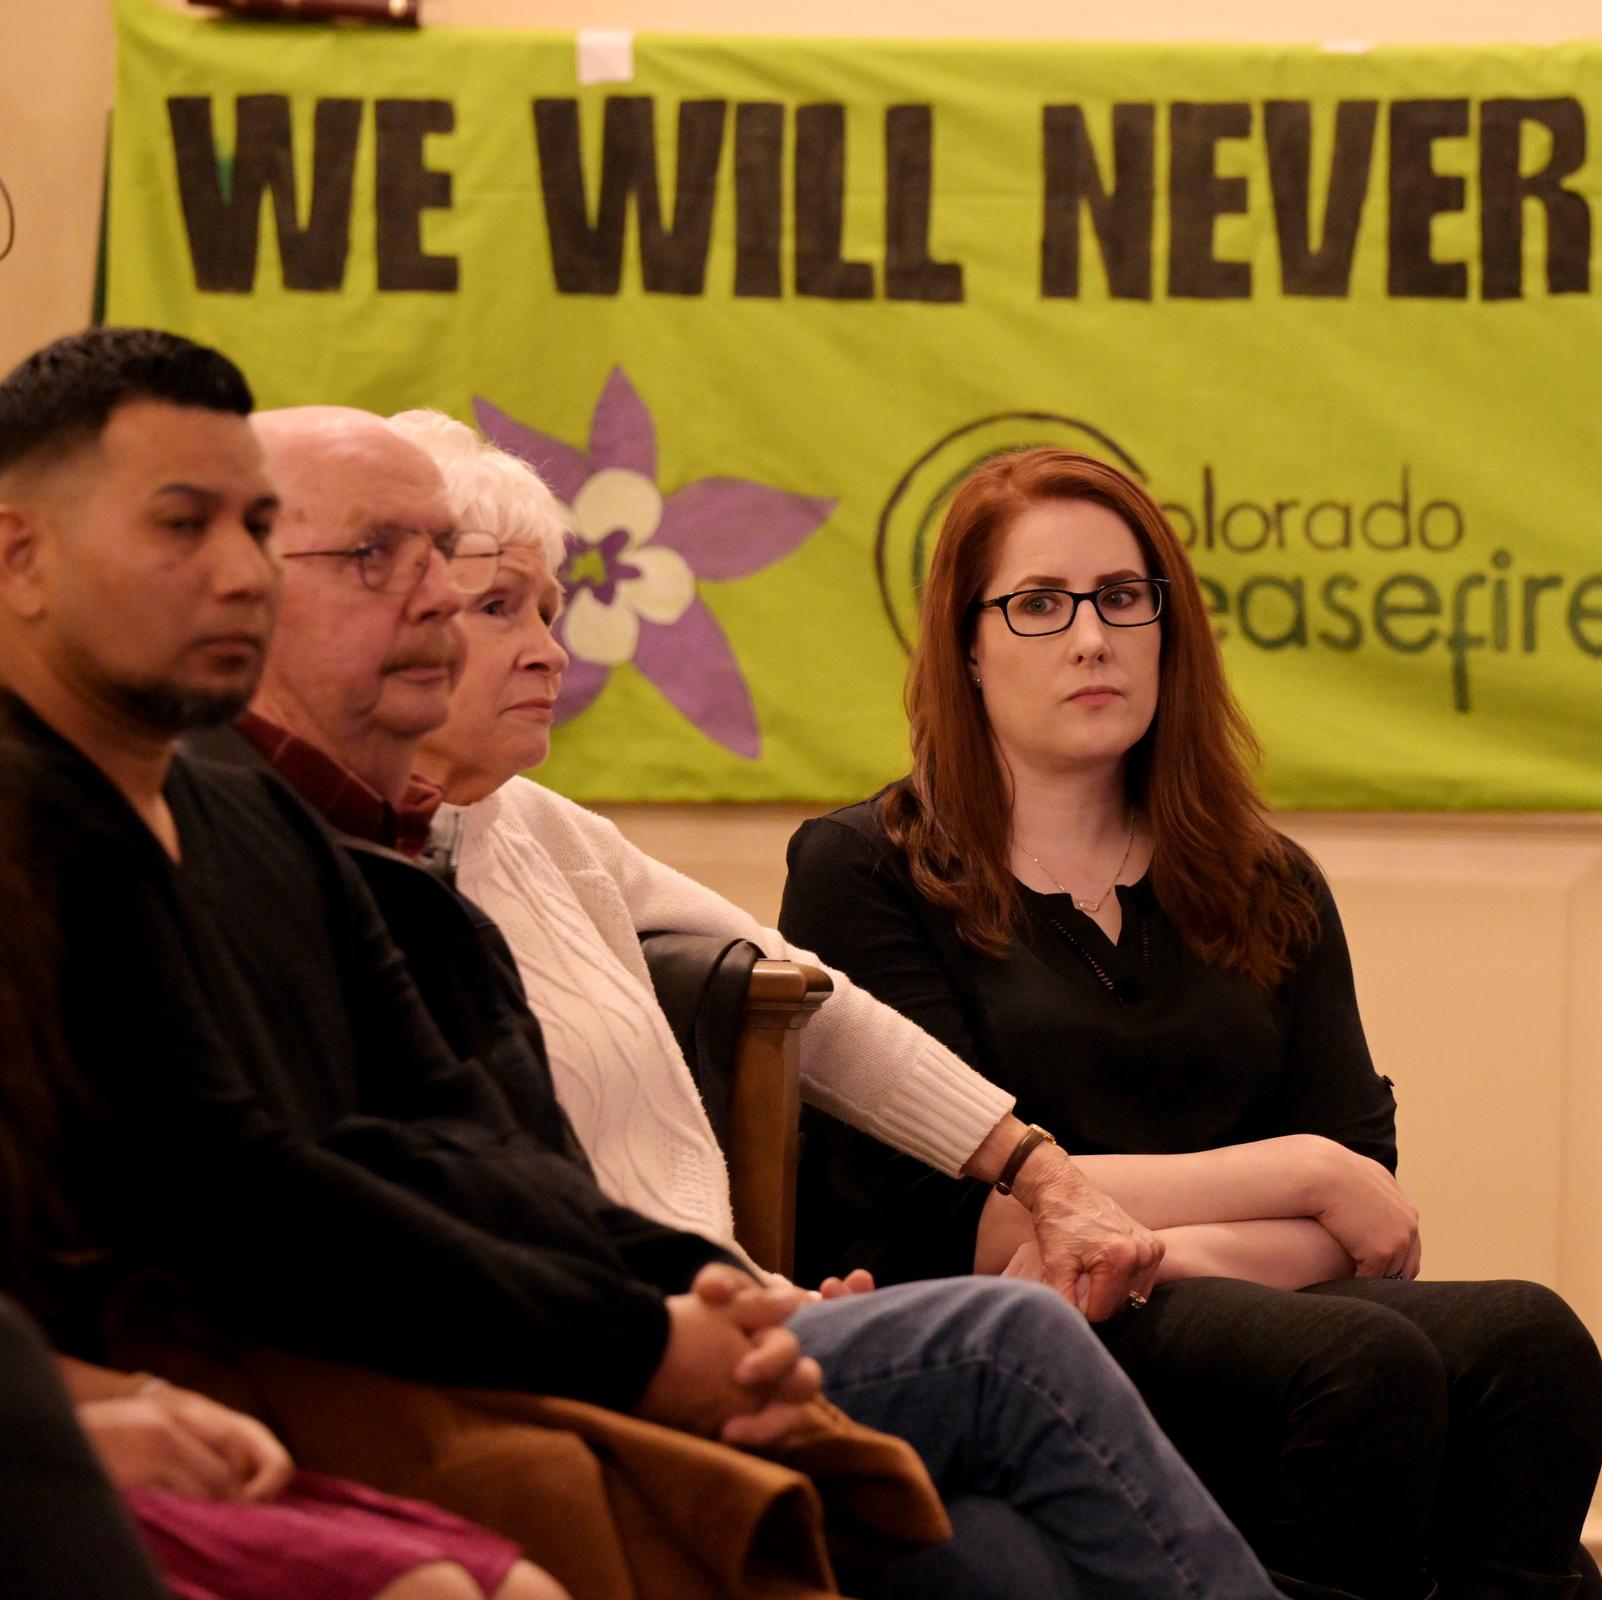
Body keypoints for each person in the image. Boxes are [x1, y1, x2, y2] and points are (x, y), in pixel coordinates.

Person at [0, 327, 1278, 1600]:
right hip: (400, 1361)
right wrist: (655, 1335)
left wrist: (726, 1293)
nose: (451, 610)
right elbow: (250, 1190)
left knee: (994, 1541)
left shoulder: (388, 835)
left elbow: (505, 1147)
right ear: (23, 558)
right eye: (190, 527)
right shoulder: (106, 823)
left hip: (616, 1312)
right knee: (1009, 1344)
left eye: (485, 584)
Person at [782, 447, 1602, 1600]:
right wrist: (1297, 1169)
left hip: (1184, 1286)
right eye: (1038, 604)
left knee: (1536, 1342)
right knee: (1364, 1363)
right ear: (966, 646)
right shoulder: (865, 867)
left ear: (1170, 628)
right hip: (1013, 1328)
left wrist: (1150, 1247)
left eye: (1124, 598)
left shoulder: (1266, 876)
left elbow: (1365, 1208)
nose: (1091, 638)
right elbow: (949, 1216)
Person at [382, 409, 1143, 1314]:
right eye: (501, 607)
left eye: (552, 611)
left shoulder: (551, 834)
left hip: (719, 1313)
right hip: (606, 1339)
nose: (553, 653)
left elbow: (818, 1004)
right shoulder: (306, 860)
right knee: (1015, 1338)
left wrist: (1041, 1173)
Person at [0, 756, 560, 1600]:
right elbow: (247, 1176)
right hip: (95, 1402)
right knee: (468, 1555)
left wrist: (138, 1400)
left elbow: (487, 1141)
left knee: (511, 1574)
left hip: (88, 1390)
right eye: (498, 611)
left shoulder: (249, 817)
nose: (541, 652)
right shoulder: (78, 829)